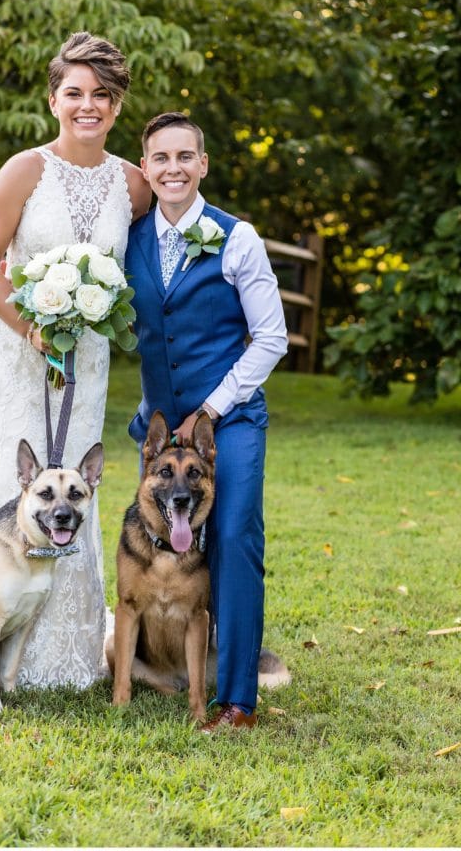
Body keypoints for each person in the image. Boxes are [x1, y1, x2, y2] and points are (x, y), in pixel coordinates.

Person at [0, 32, 150, 689]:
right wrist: (30, 329)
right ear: (53, 99)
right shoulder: (24, 170)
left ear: (117, 106)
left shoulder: (133, 185)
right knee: (10, 486)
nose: (87, 105)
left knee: (72, 487)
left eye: (102, 95)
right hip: (17, 357)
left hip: (87, 362)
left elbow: (140, 276)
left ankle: (61, 659)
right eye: (75, 93)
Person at [125, 111, 288, 732]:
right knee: (160, 538)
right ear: (146, 168)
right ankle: (161, 662)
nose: (173, 168)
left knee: (235, 536)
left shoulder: (236, 237)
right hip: (162, 433)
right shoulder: (130, 235)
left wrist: (213, 408)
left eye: (184, 157)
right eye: (160, 158)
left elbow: (271, 338)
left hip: (233, 419)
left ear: (203, 165)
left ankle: (238, 700)